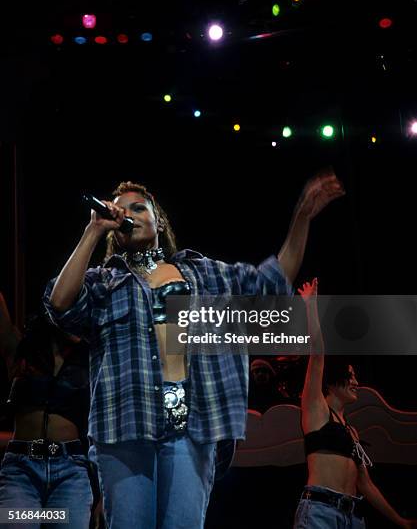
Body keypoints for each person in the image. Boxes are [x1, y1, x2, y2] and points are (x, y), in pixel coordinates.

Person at [44, 171, 344, 529]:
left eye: (140, 208)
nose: (130, 215)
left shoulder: (201, 273)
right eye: (122, 210)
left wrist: (302, 218)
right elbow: (60, 304)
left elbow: (271, 281)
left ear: (158, 220)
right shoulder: (104, 280)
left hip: (191, 428)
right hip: (126, 426)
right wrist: (93, 230)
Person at [294, 278, 417, 529]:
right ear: (332, 382)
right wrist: (311, 305)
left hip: (352, 517)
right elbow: (317, 353)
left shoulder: (351, 431)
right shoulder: (316, 409)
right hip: (321, 512)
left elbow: (366, 484)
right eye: (349, 376)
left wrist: (401, 522)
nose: (355, 382)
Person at [0, 293, 97, 529]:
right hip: (21, 471)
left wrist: (103, 495)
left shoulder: (91, 358)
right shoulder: (23, 350)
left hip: (71, 471)